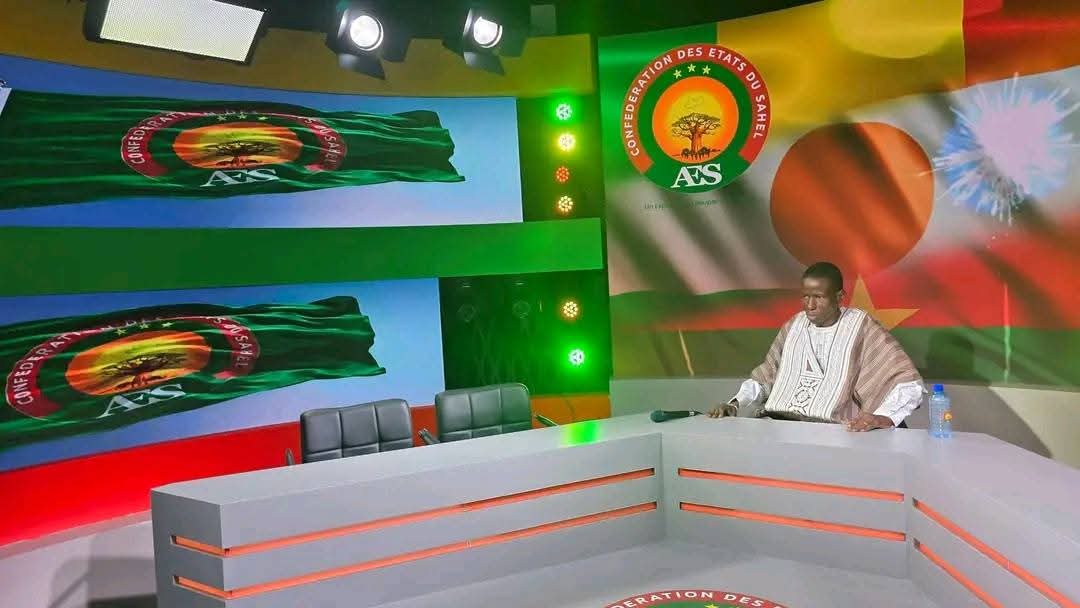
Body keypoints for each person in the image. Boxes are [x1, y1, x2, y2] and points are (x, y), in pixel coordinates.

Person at [707, 261, 925, 431]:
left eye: (818, 297)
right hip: (782, 429)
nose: (810, 305)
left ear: (839, 297)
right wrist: (735, 403)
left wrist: (883, 417)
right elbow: (766, 376)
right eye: (805, 297)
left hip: (838, 434)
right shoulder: (794, 325)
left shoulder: (861, 327)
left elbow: (906, 383)